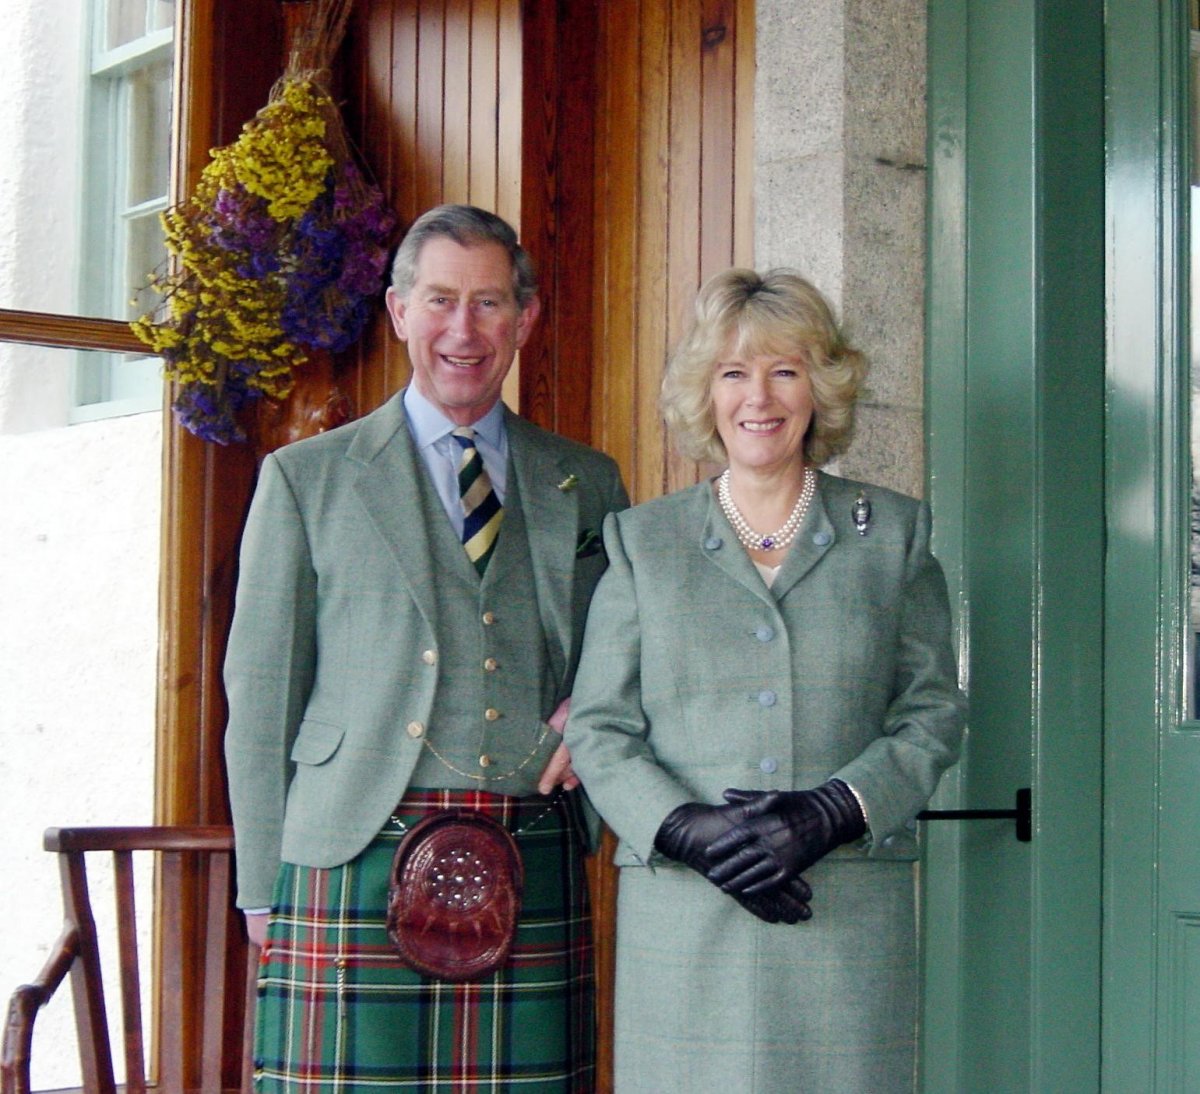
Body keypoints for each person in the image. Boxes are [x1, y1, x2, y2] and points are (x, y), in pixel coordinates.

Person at [224, 203, 628, 1091]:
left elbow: (626, 646)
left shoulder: (588, 481)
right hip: (351, 845)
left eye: (489, 303)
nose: (463, 330)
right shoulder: (305, 479)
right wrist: (259, 885)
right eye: (441, 300)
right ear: (400, 310)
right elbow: (261, 693)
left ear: (525, 319)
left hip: (531, 844)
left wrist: (595, 700)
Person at [564, 268, 966, 1093]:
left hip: (844, 922)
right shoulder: (643, 542)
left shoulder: (892, 534)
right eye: (733, 372)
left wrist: (836, 810)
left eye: (786, 370)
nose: (760, 397)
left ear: (821, 387)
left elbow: (931, 713)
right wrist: (682, 828)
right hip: (686, 925)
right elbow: (599, 727)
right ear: (705, 393)